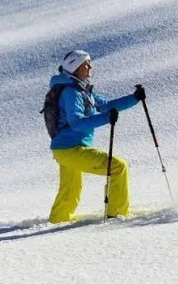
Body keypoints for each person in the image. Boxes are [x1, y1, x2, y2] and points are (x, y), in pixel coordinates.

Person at [46, 50, 144, 223]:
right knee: (117, 168)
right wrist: (106, 118)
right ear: (75, 68)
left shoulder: (82, 90)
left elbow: (105, 106)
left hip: (65, 149)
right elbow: (77, 122)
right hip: (71, 149)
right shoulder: (71, 92)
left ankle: (57, 221)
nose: (90, 67)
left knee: (70, 188)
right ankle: (117, 215)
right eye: (86, 64)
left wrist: (134, 98)